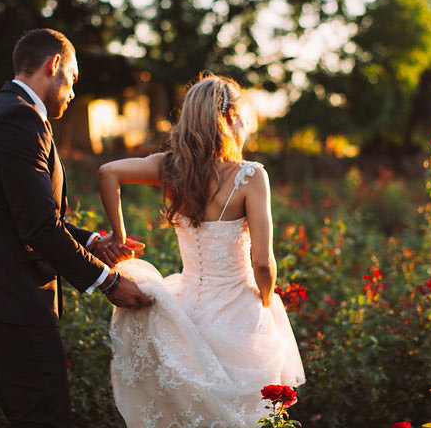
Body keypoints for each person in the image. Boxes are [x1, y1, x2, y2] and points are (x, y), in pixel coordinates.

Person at [0, 28, 151, 427]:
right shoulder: (21, 118)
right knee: (46, 416)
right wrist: (108, 282)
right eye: (72, 78)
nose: (73, 91)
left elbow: (20, 212)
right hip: (8, 297)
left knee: (33, 415)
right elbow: (37, 227)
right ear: (53, 65)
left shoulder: (0, 109)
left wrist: (93, 242)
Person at [97, 73, 305, 427]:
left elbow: (107, 172)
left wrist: (119, 235)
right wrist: (267, 301)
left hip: (187, 310)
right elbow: (262, 262)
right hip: (238, 308)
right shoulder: (251, 176)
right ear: (230, 118)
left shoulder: (171, 167)